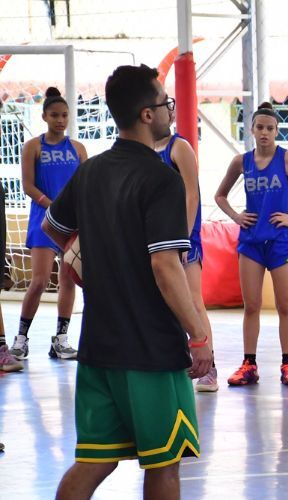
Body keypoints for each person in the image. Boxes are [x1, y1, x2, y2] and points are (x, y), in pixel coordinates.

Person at [48, 64, 213, 500]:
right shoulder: (161, 179)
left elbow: (55, 229)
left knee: (94, 461)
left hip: (99, 346)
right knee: (164, 464)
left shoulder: (91, 171)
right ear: (146, 114)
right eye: (165, 103)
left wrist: (80, 259)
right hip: (151, 350)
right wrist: (198, 335)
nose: (170, 111)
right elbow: (165, 267)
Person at [214, 102, 288, 386]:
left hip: (281, 242)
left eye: (270, 128)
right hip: (251, 243)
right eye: (259, 127)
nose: (264, 133)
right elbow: (220, 196)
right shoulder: (242, 162)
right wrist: (236, 217)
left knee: (285, 304)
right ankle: (249, 364)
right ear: (251, 130)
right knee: (251, 305)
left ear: (277, 131)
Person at [11, 86, 85, 362]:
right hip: (43, 222)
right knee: (40, 281)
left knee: (68, 281)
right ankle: (21, 339)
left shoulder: (78, 148)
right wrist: (51, 206)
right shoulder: (33, 146)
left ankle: (61, 340)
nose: (60, 120)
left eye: (64, 115)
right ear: (44, 116)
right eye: (54, 115)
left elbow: (86, 183)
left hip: (71, 224)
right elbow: (27, 185)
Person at [155, 125, 217, 392]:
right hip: (154, 236)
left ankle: (209, 366)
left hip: (182, 235)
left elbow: (192, 194)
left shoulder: (179, 147)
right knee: (161, 302)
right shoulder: (142, 149)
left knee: (192, 299)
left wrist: (182, 237)